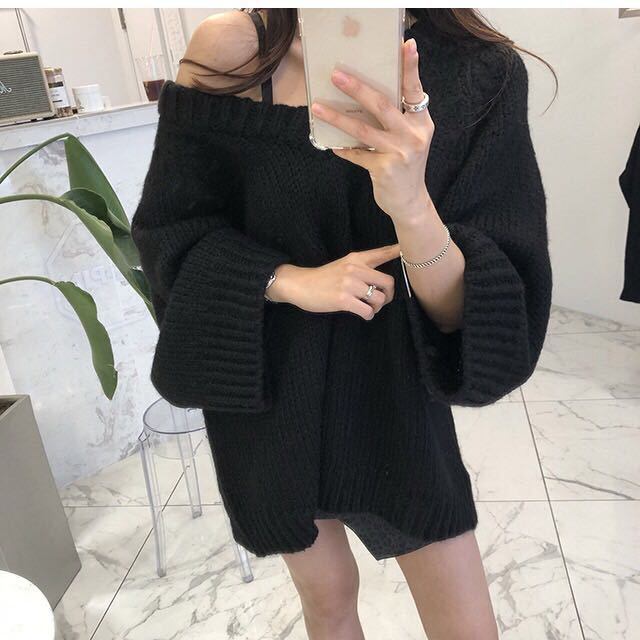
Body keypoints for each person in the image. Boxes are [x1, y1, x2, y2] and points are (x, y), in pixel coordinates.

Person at [131, 8, 554, 640]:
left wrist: (412, 207)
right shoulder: (232, 49)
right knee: (327, 599)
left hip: (397, 395)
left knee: (466, 624)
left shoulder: (480, 71)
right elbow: (169, 235)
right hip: (266, 388)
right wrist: (287, 280)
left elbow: (482, 320)